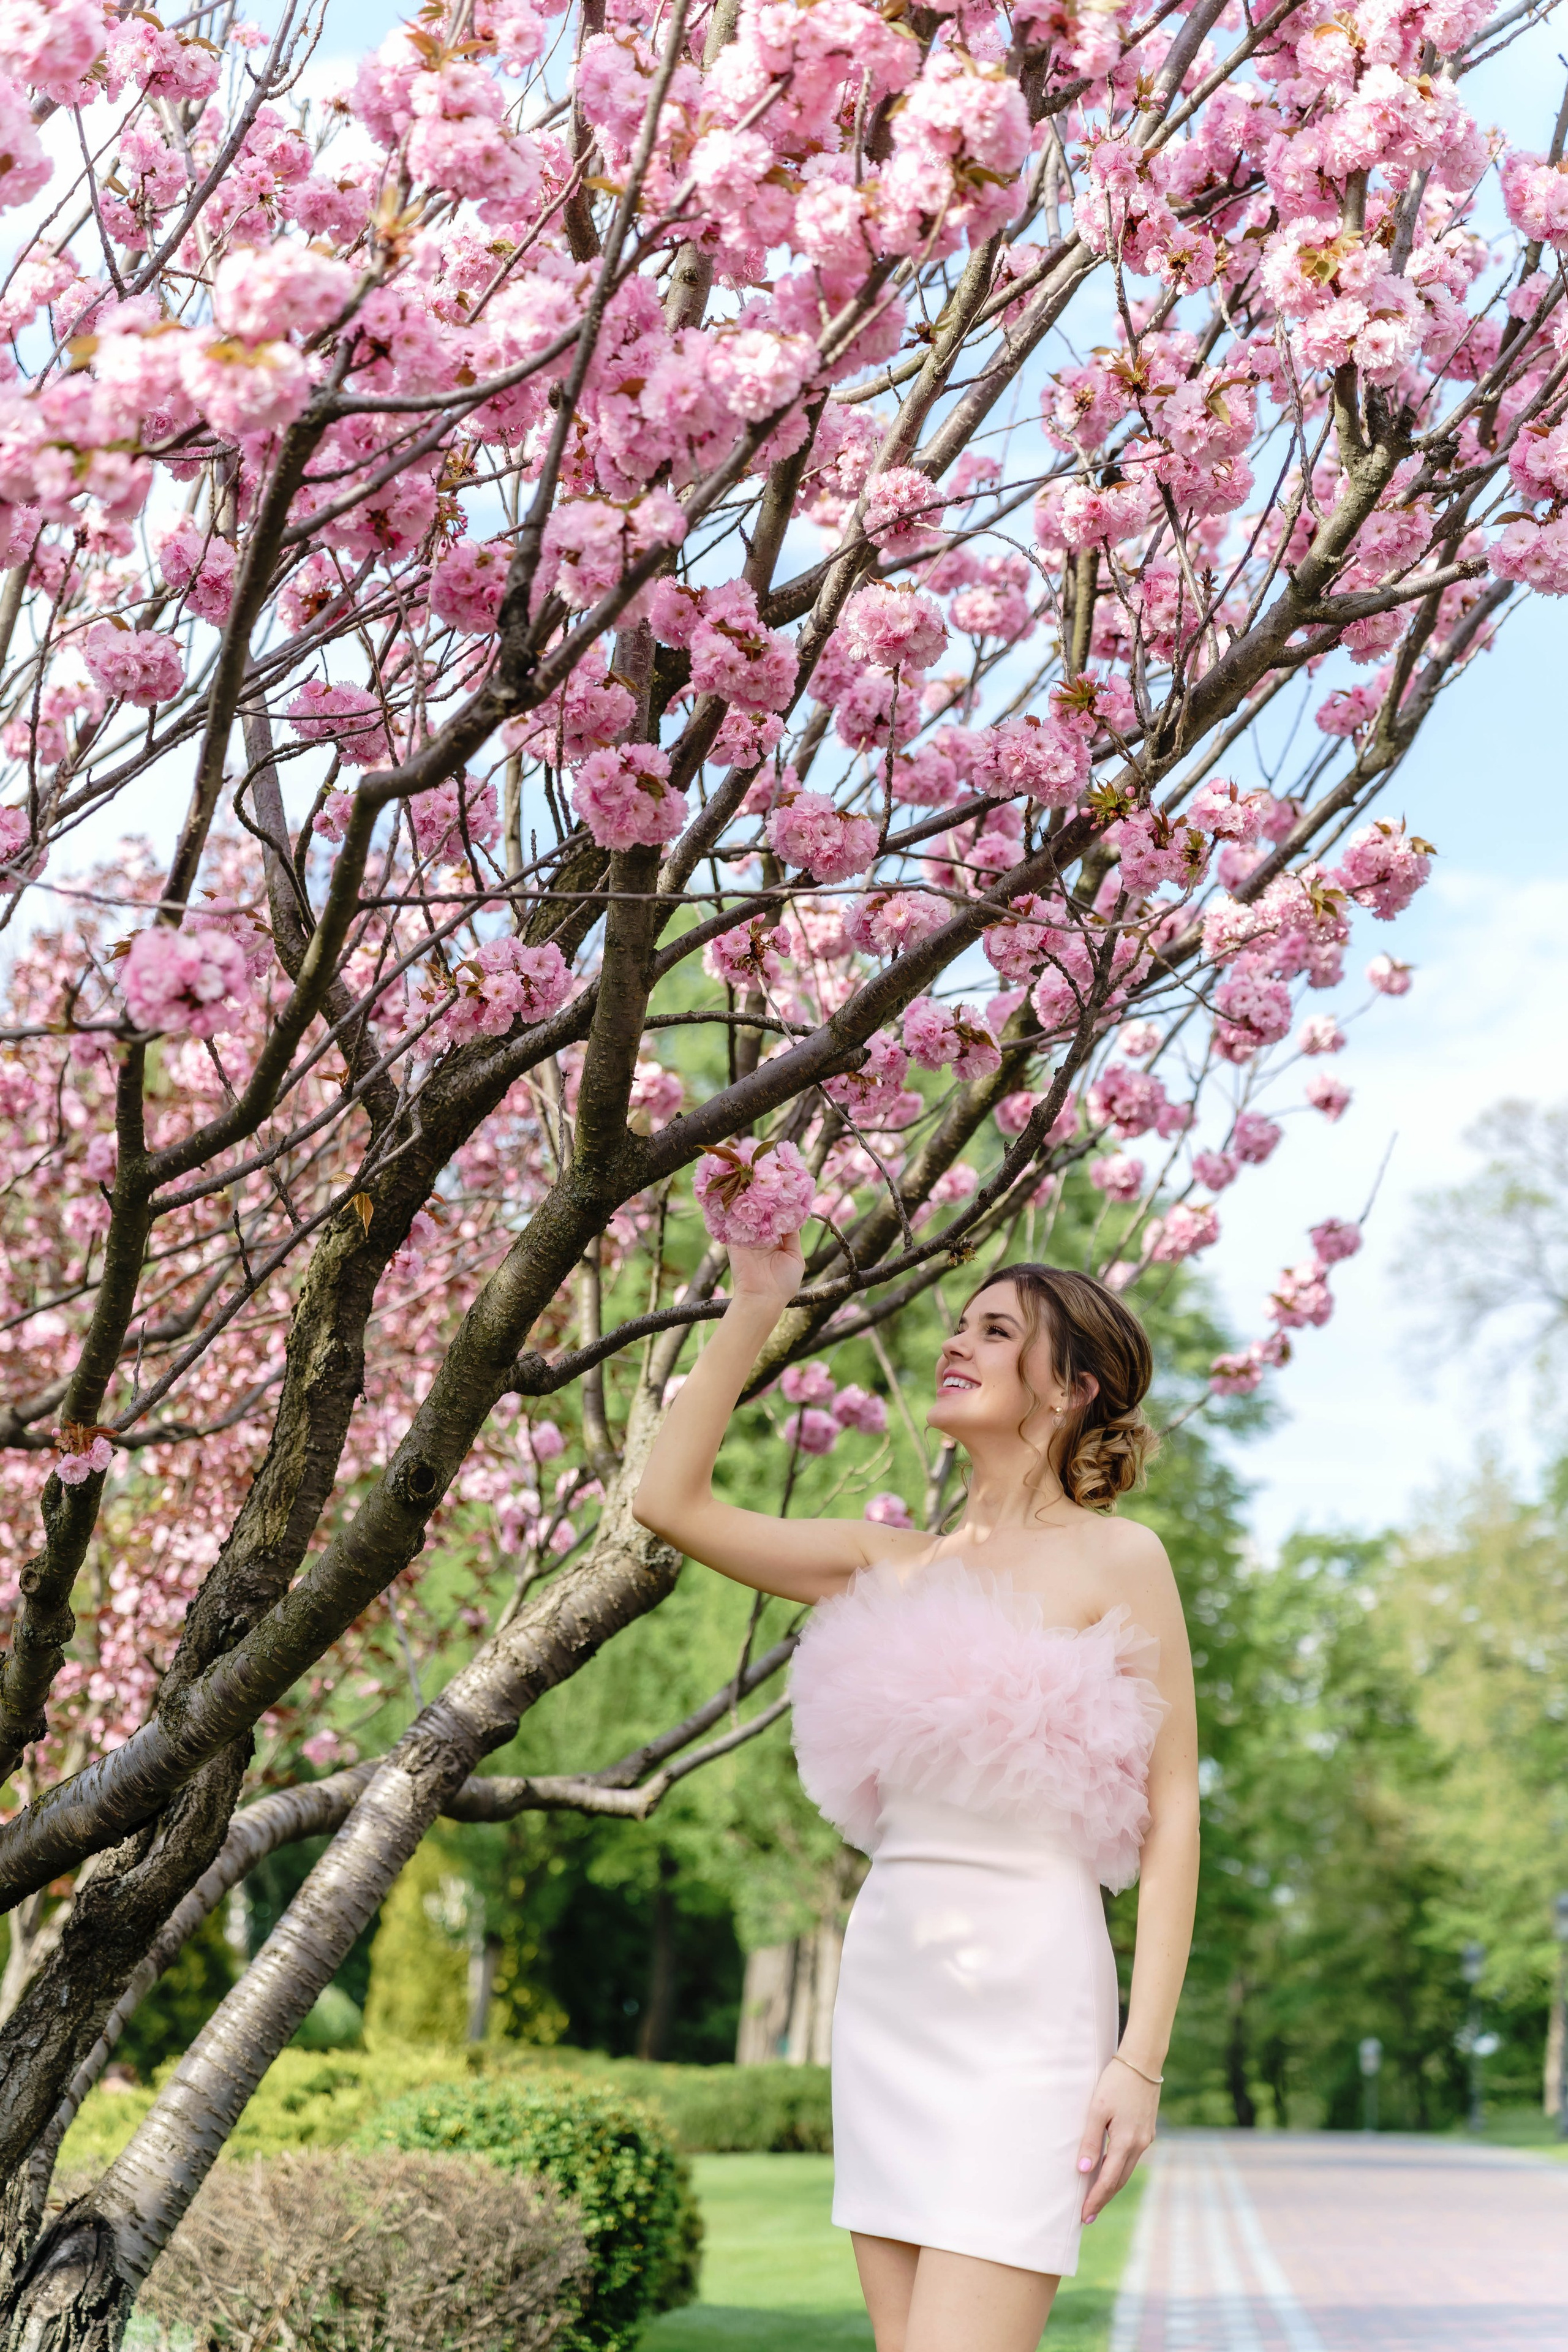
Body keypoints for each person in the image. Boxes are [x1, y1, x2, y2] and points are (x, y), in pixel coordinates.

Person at [634, 1238, 1200, 2352]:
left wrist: (1141, 2061)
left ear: (1070, 1389)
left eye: (996, 1331)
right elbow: (667, 1500)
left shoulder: (1122, 1559)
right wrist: (757, 1301)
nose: (955, 1343)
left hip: (1032, 2004)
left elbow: (1175, 1811)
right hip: (892, 1993)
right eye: (959, 1323)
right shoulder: (886, 1561)